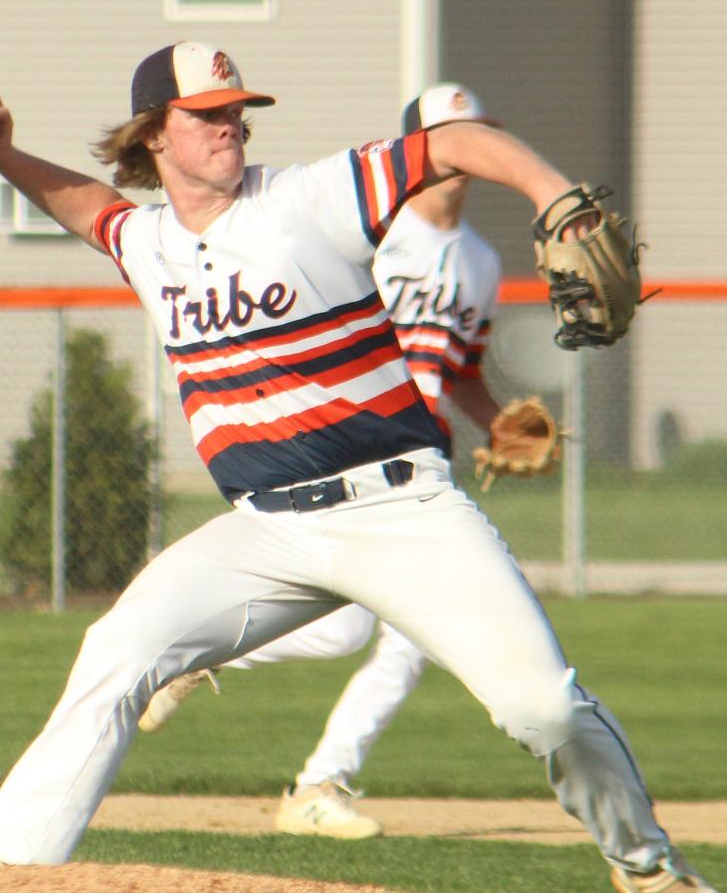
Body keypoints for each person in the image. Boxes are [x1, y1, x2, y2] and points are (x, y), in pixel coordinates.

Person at [0, 41, 717, 893]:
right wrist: (0, 155)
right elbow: (89, 206)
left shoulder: (307, 197)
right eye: (206, 114)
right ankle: (3, 872)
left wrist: (553, 194)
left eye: (235, 110)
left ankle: (649, 869)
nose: (228, 125)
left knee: (541, 706)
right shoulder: (148, 241)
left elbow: (453, 143)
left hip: (402, 509)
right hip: (268, 528)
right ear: (154, 137)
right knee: (118, 651)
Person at [138, 82, 509, 842]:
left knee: (388, 641)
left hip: (418, 475)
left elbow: (460, 369)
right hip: (331, 458)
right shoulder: (372, 229)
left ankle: (308, 775)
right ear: (418, 144)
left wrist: (500, 427)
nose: (463, 155)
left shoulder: (480, 261)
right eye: (447, 136)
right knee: (367, 635)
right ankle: (307, 770)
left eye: (474, 135)